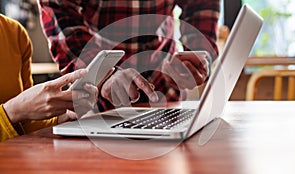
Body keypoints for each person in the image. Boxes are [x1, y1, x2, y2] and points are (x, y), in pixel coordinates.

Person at [38, 0, 220, 111]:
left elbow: (201, 4)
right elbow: (58, 10)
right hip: (99, 101)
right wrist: (102, 74)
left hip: (165, 92)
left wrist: (197, 56)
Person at [0, 14, 98, 142]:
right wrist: (14, 110)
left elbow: (24, 123)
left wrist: (63, 116)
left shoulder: (14, 31)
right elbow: (17, 114)